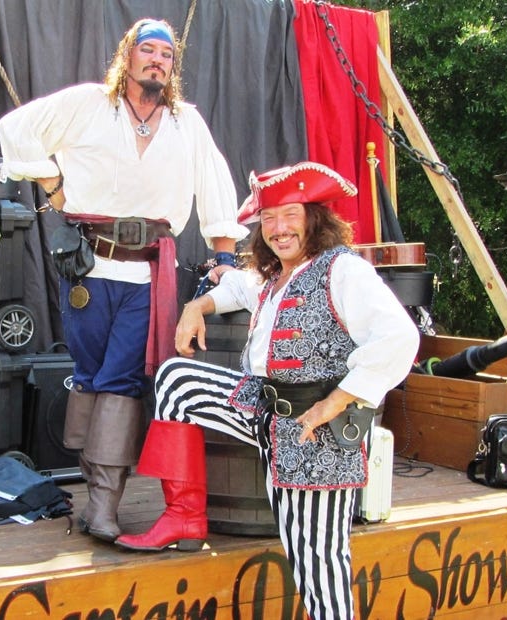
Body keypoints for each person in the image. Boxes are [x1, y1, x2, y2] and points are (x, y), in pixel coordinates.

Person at [114, 162, 420, 619]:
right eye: (270, 219)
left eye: (290, 216)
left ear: (314, 218)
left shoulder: (343, 270)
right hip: (265, 414)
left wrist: (335, 403)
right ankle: (184, 516)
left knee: (318, 565)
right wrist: (196, 305)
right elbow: (239, 286)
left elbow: (401, 337)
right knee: (178, 380)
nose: (279, 229)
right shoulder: (278, 276)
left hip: (314, 435)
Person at [0, 18, 249, 543]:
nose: (157, 60)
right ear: (127, 57)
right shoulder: (90, 104)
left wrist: (224, 251)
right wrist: (53, 182)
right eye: (147, 50)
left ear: (172, 67)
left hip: (147, 276)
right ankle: (93, 498)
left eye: (166, 54)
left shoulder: (187, 124)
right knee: (90, 374)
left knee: (122, 380)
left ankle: (106, 505)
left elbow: (215, 182)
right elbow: (14, 129)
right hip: (87, 270)